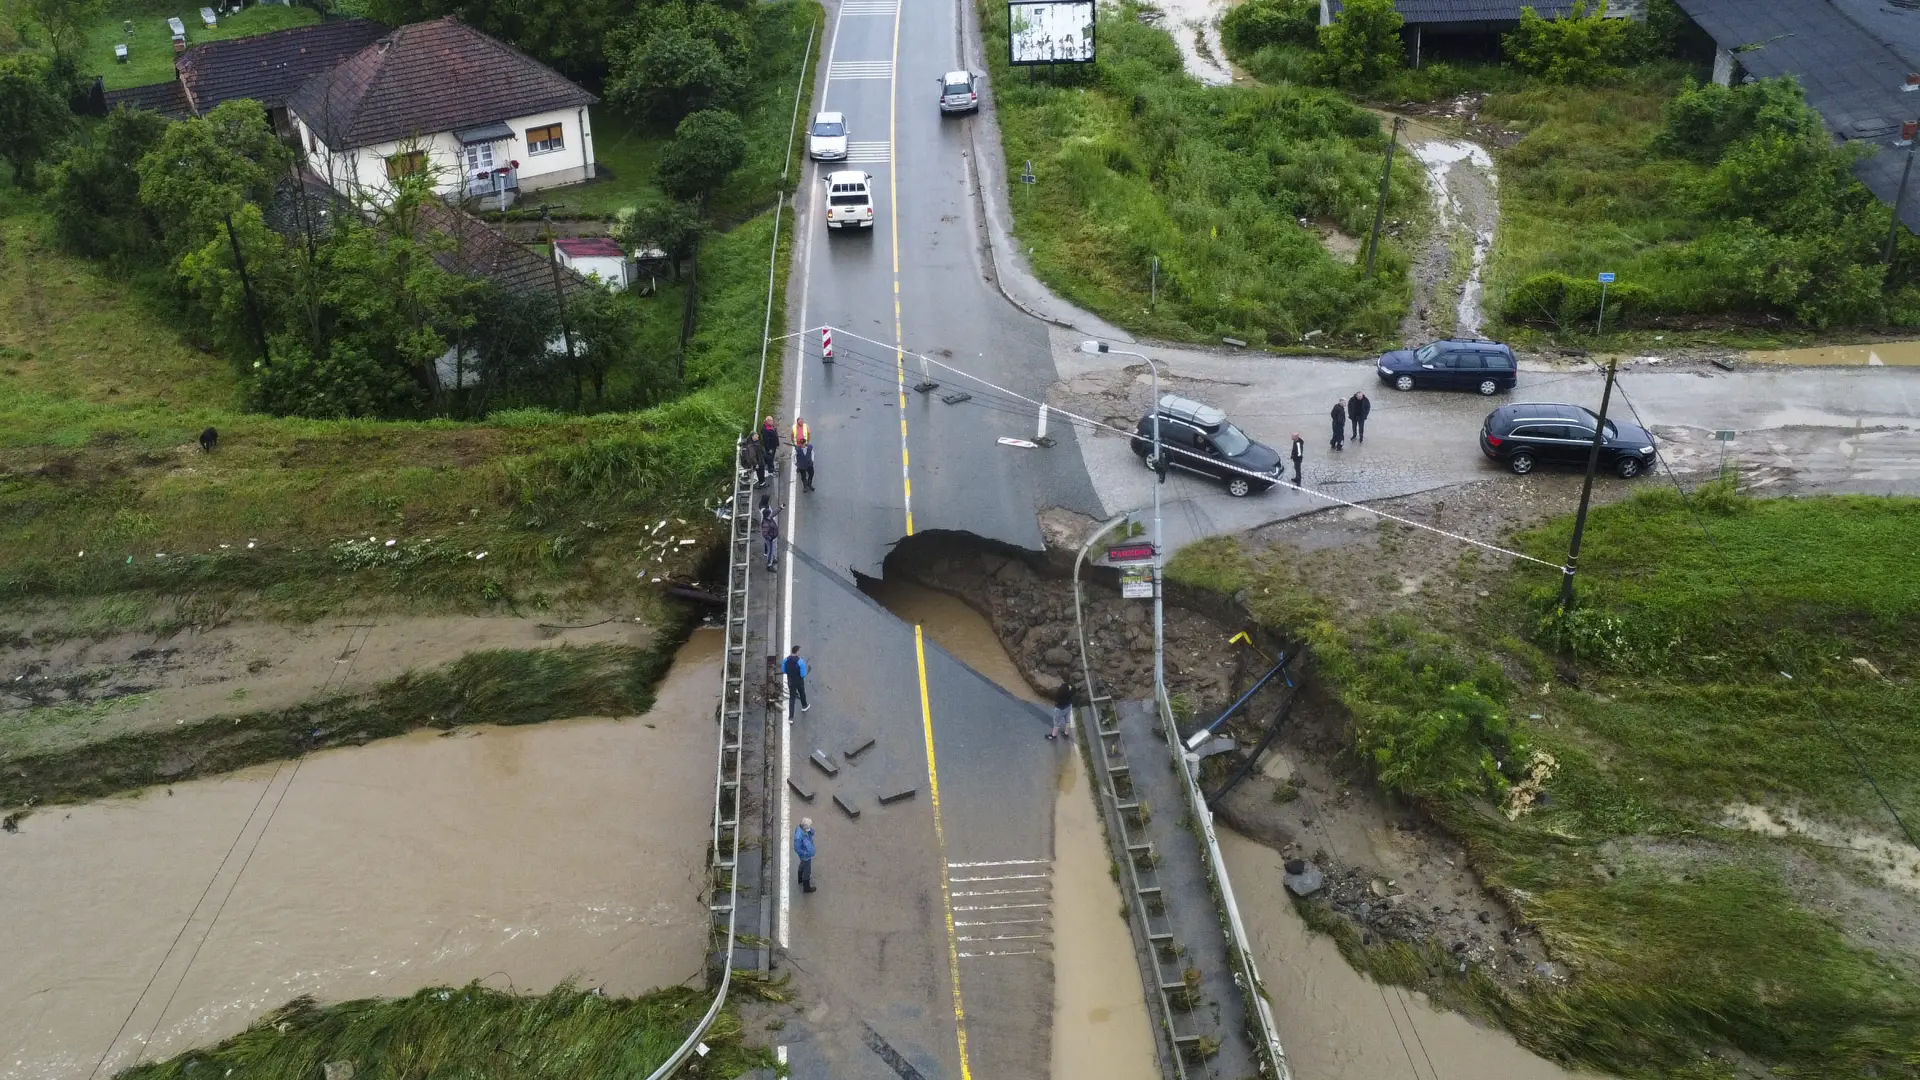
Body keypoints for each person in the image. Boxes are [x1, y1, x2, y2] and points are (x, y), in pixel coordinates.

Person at [783, 645, 810, 715]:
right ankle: (804, 706)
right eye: (799, 651)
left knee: (792, 698)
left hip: (791, 681)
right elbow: (803, 674)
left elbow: (784, 670)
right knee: (802, 693)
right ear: (797, 652)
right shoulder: (800, 661)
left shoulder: (786, 660)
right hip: (799, 681)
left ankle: (791, 717)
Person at [793, 818, 817, 893]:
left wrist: (811, 830)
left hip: (806, 855)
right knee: (807, 871)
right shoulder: (799, 837)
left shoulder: (802, 829)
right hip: (806, 856)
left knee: (802, 865)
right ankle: (806, 888)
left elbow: (812, 832)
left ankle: (800, 878)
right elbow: (797, 849)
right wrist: (806, 854)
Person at [761, 503, 782, 571]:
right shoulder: (766, 524)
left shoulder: (769, 517)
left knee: (773, 550)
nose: (771, 513)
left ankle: (773, 559)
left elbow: (774, 513)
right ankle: (769, 565)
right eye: (770, 513)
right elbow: (764, 534)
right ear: (767, 515)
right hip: (770, 540)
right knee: (770, 552)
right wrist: (770, 539)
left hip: (773, 538)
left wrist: (780, 508)